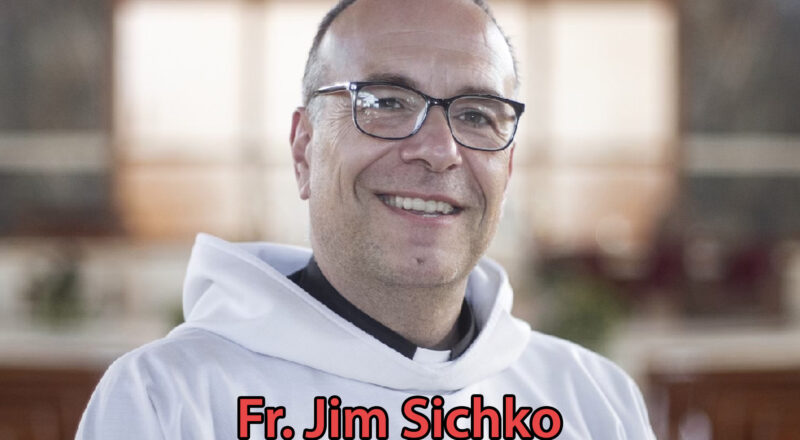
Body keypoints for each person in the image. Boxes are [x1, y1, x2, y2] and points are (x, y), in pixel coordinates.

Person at [77, 0, 656, 438]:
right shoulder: (168, 402)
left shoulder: (592, 402)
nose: (439, 149)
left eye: (477, 114)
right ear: (304, 150)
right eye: (385, 102)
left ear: (508, 168)